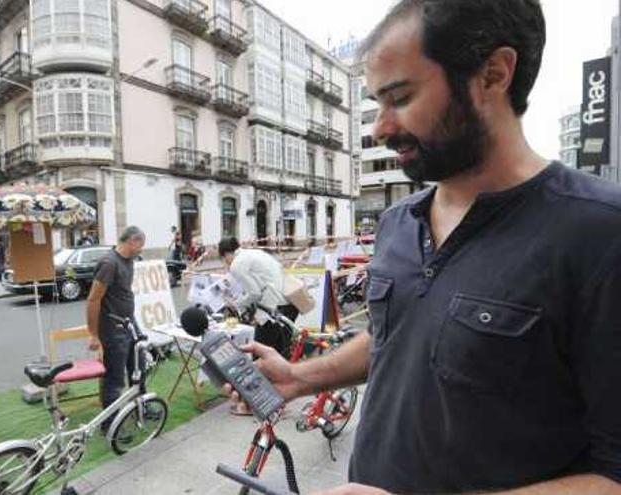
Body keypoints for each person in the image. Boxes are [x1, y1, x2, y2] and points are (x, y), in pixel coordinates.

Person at [227, 2, 621, 494]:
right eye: (375, 103)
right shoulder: (397, 223)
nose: (379, 128)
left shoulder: (599, 231)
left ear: (493, 75)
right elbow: (399, 338)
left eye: (400, 97)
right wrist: (300, 378)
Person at [86, 226, 146, 431]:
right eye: (141, 245)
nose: (141, 250)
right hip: (112, 327)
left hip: (129, 322)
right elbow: (93, 300)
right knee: (114, 377)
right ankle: (110, 424)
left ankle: (142, 407)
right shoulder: (109, 263)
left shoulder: (128, 260)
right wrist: (93, 334)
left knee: (139, 366)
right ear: (133, 241)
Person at [218, 237, 297, 358]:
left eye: (223, 259)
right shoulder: (254, 253)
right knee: (281, 355)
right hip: (289, 302)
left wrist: (237, 304)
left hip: (272, 310)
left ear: (226, 254)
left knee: (259, 355)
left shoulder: (237, 264)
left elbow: (254, 293)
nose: (225, 263)